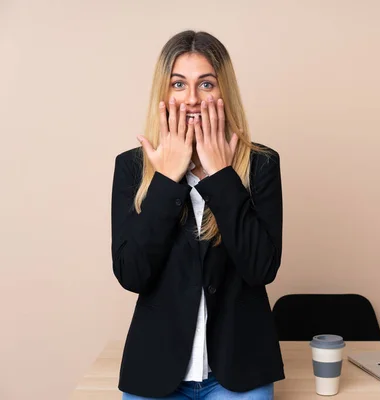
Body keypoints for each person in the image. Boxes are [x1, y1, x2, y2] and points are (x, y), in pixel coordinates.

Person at [110, 30, 284, 399]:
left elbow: (261, 268)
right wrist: (167, 181)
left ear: (224, 93)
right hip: (157, 371)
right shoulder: (131, 168)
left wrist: (221, 177)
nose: (191, 98)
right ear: (164, 92)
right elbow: (132, 273)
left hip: (238, 371)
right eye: (178, 84)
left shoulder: (261, 164)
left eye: (205, 83)